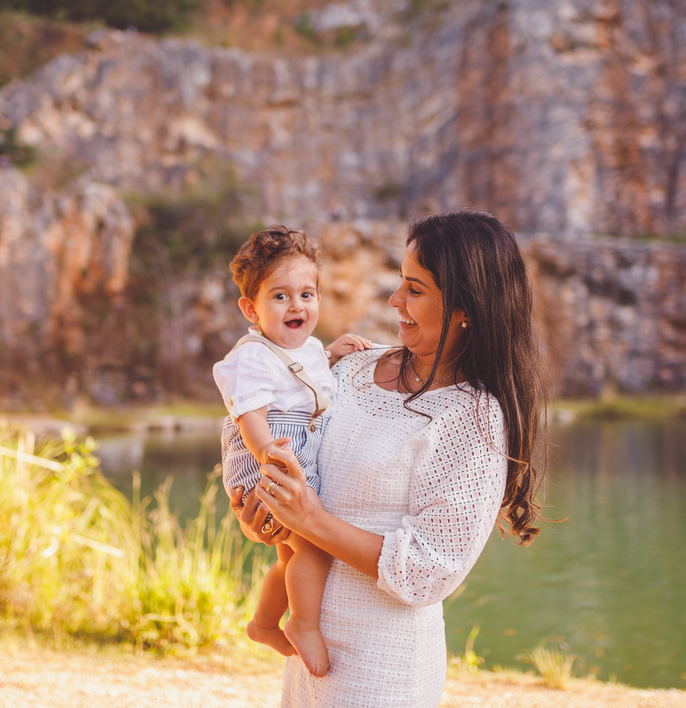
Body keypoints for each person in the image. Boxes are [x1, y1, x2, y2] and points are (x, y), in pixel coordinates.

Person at [231, 209, 549, 707]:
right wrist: (266, 518)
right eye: (402, 281)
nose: (395, 299)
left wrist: (310, 519)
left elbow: (429, 570)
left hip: (382, 669)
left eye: (416, 289)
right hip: (307, 656)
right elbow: (279, 433)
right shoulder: (354, 365)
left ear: (465, 307)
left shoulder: (474, 419)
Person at [214, 225, 372, 677]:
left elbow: (306, 382)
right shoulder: (251, 357)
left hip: (287, 456)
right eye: (280, 296)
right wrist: (269, 456)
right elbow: (249, 416)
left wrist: (333, 357)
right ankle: (303, 624)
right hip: (271, 457)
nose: (297, 305)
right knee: (315, 549)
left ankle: (264, 623)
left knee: (290, 555)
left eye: (307, 293)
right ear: (251, 307)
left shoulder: (308, 349)